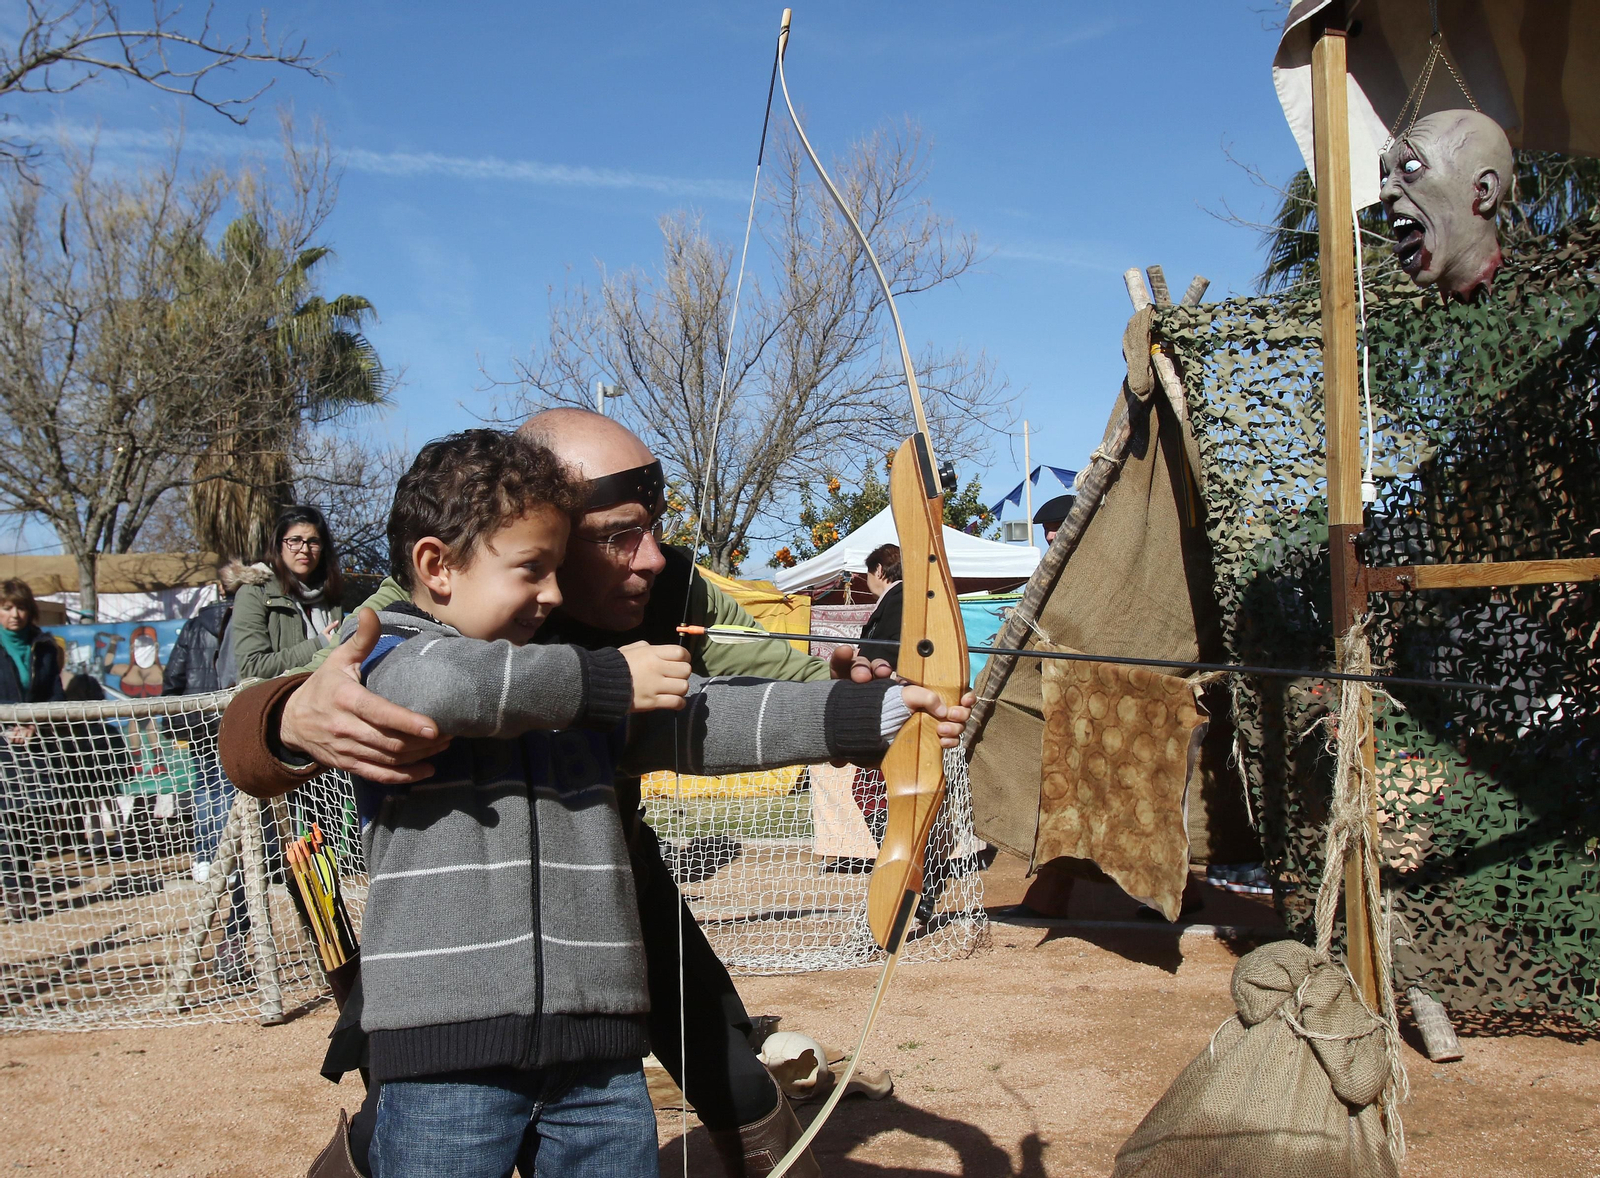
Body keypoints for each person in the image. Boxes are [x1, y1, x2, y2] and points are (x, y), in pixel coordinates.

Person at [220, 409, 898, 1178]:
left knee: (728, 1071)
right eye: (614, 535)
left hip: (609, 888)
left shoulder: (663, 577)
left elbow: (745, 686)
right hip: (457, 934)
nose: (649, 557)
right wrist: (288, 716)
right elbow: (282, 703)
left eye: (653, 528)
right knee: (421, 1108)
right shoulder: (431, 601)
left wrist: (867, 703)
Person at [0, 579, 63, 920]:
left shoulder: (44, 645)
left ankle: (21, 885)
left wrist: (34, 724)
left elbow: (55, 696)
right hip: (1, 741)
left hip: (32, 744)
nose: (15, 614)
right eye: (7, 607)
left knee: (25, 818)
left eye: (21, 607)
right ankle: (14, 888)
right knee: (4, 819)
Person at [232, 506, 347, 681]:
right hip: (277, 701)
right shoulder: (254, 592)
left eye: (313, 541)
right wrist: (319, 645)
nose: (305, 549)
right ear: (279, 545)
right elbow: (252, 666)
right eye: (295, 540)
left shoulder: (330, 597)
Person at [854, 543, 904, 672]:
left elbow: (899, 645)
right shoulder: (898, 597)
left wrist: (860, 654)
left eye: (867, 575)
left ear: (878, 570)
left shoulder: (899, 599)